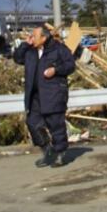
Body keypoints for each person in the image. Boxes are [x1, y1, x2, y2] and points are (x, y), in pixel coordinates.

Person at [12, 25, 76, 168]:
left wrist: (56, 70)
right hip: (34, 95)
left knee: (56, 125)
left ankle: (60, 154)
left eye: (34, 36)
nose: (32, 38)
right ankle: (47, 150)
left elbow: (71, 65)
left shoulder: (58, 49)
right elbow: (17, 58)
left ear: (44, 38)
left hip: (53, 93)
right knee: (33, 123)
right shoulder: (30, 51)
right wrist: (25, 44)